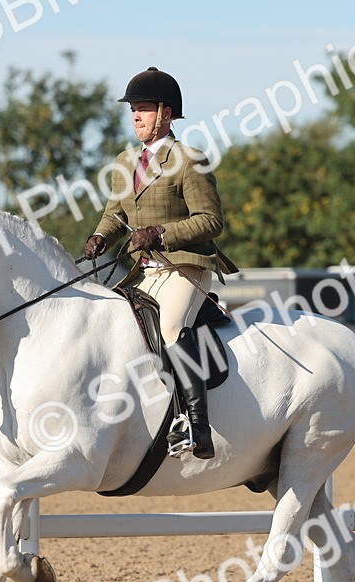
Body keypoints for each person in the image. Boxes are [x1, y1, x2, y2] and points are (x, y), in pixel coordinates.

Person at [83, 67, 234, 460]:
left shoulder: (188, 159)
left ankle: (197, 427)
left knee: (170, 325)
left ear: (166, 114)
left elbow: (211, 221)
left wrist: (160, 233)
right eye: (133, 109)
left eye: (144, 109)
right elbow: (116, 214)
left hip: (185, 266)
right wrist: (102, 235)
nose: (135, 116)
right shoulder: (125, 160)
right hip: (146, 271)